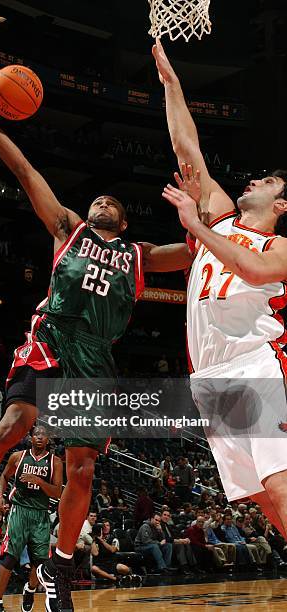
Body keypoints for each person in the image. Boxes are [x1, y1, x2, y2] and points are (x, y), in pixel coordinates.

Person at [0, 81, 193, 612]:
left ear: (125, 222)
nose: (100, 200)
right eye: (96, 198)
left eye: (111, 201)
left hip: (94, 359)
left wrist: (196, 204)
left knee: (82, 469)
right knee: (15, 422)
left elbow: (197, 248)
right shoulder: (68, 228)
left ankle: (60, 564)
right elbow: (25, 173)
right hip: (53, 336)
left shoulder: (141, 253)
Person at [153, 38, 287, 541]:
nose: (256, 180)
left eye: (271, 181)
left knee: (278, 479)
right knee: (254, 491)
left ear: (282, 204)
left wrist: (195, 225)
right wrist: (171, 83)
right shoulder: (222, 214)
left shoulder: (279, 245)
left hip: (256, 361)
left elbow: (251, 271)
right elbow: (187, 148)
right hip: (208, 375)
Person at [0, 426, 63, 612]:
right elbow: (4, 477)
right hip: (19, 511)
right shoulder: (18, 456)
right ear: (30, 437)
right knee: (10, 557)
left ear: (48, 439)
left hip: (40, 514)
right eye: (36, 434)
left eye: (43, 435)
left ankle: (29, 589)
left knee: (40, 562)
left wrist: (39, 481)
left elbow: (57, 492)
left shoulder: (55, 462)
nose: (39, 437)